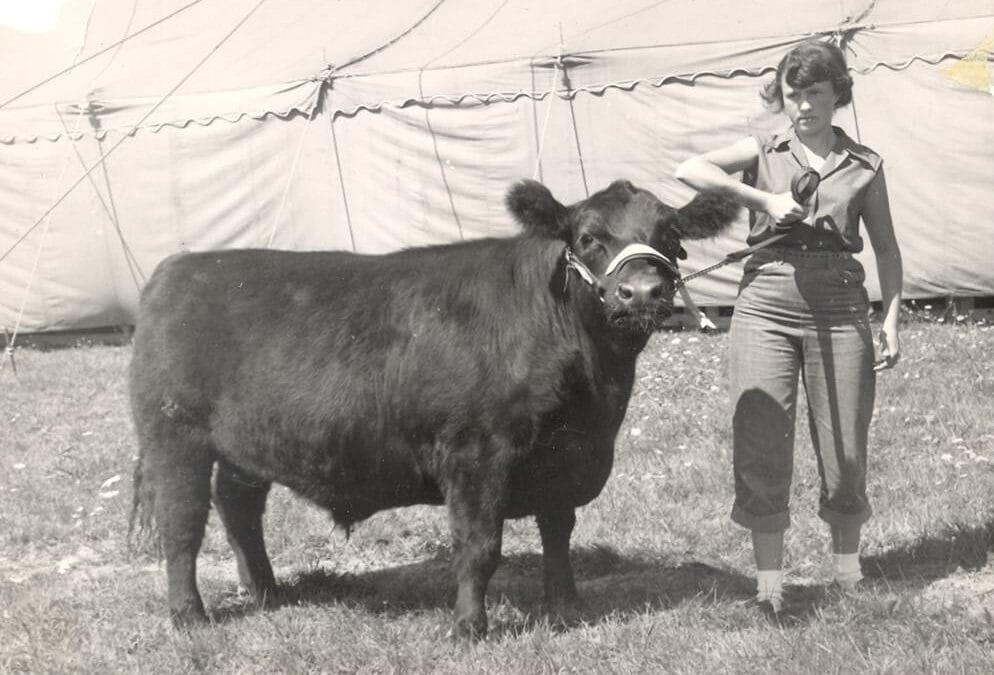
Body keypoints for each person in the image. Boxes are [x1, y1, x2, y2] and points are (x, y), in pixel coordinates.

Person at [674, 39, 903, 616]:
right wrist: (763, 199)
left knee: (846, 445)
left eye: (815, 94)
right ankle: (770, 585)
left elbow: (887, 249)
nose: (803, 106)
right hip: (765, 304)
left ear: (837, 95)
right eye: (794, 94)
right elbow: (688, 169)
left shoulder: (865, 164)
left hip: (839, 303)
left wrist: (892, 317)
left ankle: (847, 575)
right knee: (761, 440)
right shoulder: (763, 148)